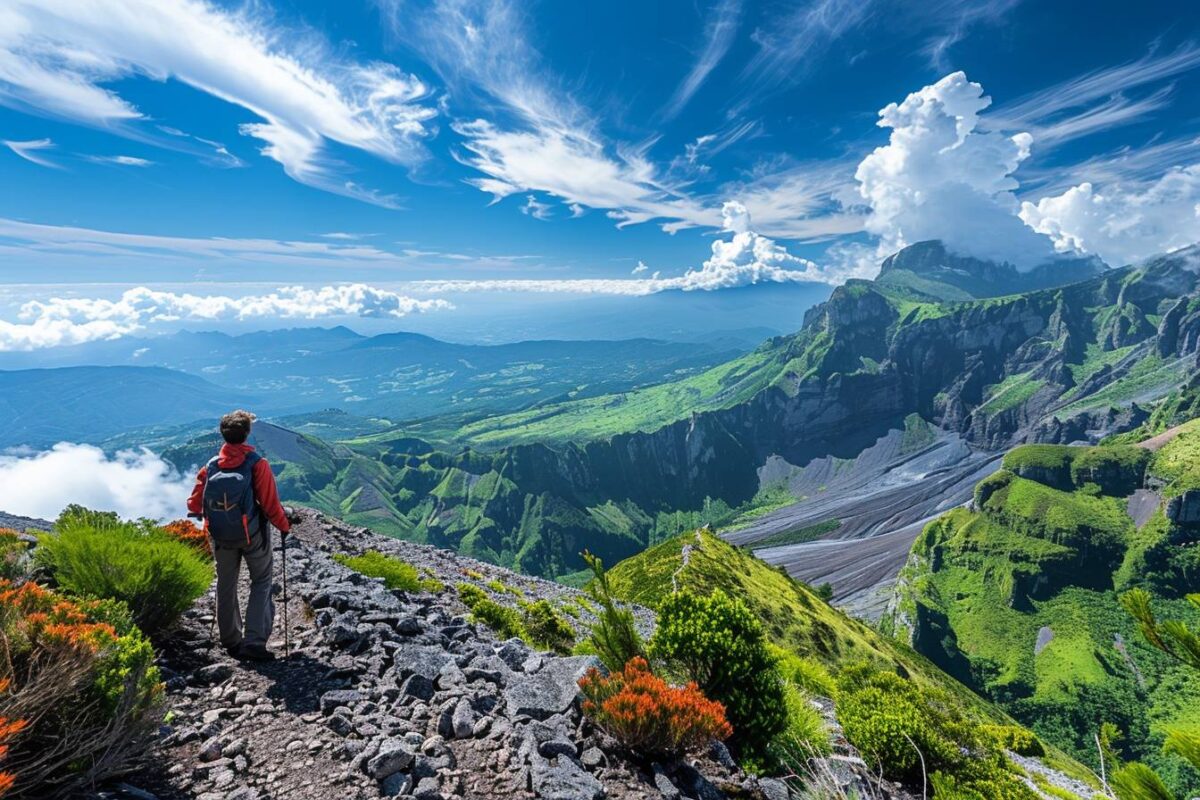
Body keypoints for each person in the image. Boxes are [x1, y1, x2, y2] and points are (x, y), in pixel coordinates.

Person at [187, 410, 291, 661]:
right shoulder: (257, 464)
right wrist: (284, 526)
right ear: (246, 434)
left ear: (223, 434)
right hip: (252, 535)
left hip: (220, 535)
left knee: (226, 584)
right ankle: (254, 642)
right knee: (262, 581)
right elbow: (269, 504)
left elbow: (193, 504)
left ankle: (231, 640)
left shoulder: (210, 467)